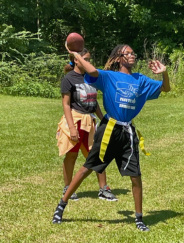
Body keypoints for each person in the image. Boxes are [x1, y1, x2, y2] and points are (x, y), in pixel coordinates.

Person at [53, 44, 170, 231]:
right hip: (109, 130)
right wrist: (75, 54)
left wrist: (163, 72)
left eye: (134, 53)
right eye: (128, 53)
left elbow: (165, 88)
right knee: (87, 169)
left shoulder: (141, 80)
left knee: (135, 176)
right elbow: (90, 70)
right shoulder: (108, 77)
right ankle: (61, 206)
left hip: (128, 133)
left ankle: (139, 218)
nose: (132, 56)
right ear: (118, 58)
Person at [56, 48, 117, 201]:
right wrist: (71, 128)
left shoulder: (91, 77)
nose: (89, 62)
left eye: (89, 59)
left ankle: (103, 188)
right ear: (76, 60)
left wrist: (103, 118)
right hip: (75, 120)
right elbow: (66, 104)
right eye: (86, 59)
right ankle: (68, 188)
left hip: (89, 122)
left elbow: (93, 101)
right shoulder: (68, 79)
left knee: (97, 155)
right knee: (72, 154)